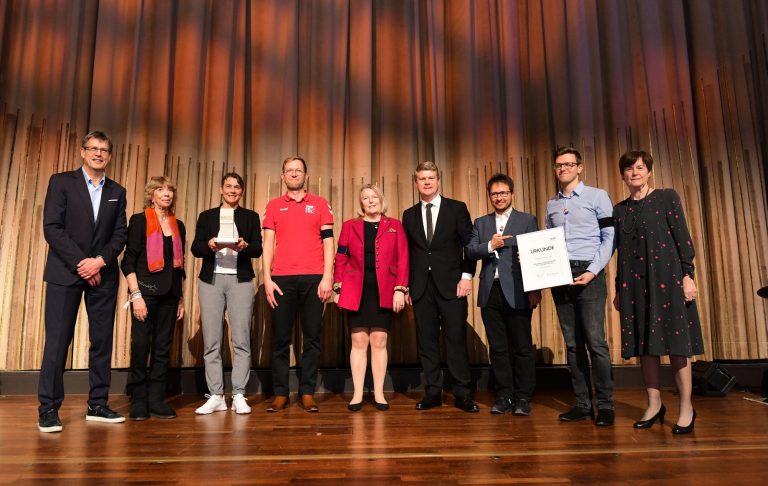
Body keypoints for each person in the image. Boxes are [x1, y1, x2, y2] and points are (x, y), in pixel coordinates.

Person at [38, 130, 128, 433]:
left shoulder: (117, 191)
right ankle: (48, 409)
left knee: (101, 342)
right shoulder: (61, 182)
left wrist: (99, 261)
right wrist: (83, 263)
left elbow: (120, 234)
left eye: (104, 149)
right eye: (93, 148)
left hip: (103, 275)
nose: (98, 153)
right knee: (57, 342)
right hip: (65, 273)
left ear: (110, 156)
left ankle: (98, 404)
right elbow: (52, 228)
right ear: (82, 151)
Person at [613, 150, 704, 434]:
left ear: (649, 172)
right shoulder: (619, 210)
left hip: (668, 280)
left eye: (640, 167)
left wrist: (688, 276)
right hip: (634, 286)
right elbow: (621, 254)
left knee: (677, 345)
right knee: (645, 347)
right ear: (623, 175)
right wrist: (618, 289)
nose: (635, 173)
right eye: (629, 169)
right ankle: (654, 405)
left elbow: (682, 238)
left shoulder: (666, 197)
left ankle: (686, 407)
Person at [546, 146, 616, 426]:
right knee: (573, 344)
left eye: (568, 164)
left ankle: (606, 405)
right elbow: (548, 242)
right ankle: (583, 403)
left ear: (579, 167)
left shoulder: (598, 196)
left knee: (596, 342)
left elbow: (609, 238)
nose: (562, 168)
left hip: (589, 273)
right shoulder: (551, 204)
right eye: (558, 165)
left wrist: (592, 271)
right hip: (560, 275)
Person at [402, 161, 479, 413]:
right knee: (427, 343)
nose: (427, 182)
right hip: (420, 288)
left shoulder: (457, 208)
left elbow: (470, 245)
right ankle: (433, 392)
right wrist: (406, 286)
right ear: (416, 183)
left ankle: (463, 393)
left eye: (431, 178)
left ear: (438, 180)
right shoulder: (409, 214)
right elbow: (407, 253)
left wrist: (467, 276)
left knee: (456, 340)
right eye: (422, 178)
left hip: (453, 286)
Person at [262, 156, 334, 412]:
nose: (294, 174)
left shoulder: (320, 204)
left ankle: (307, 393)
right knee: (281, 338)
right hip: (281, 279)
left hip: (314, 278)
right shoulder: (273, 206)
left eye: (298, 170)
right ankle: (281, 393)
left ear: (306, 175)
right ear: (283, 176)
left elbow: (328, 242)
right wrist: (267, 279)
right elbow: (267, 244)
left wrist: (327, 276)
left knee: (312, 338)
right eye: (289, 171)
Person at [467, 174, 541, 416]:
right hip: (490, 291)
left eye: (503, 193)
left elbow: (537, 256)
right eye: (494, 193)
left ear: (512, 194)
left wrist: (535, 290)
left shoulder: (527, 220)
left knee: (522, 347)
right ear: (489, 196)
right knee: (498, 348)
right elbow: (470, 250)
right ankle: (503, 395)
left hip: (519, 291)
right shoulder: (481, 223)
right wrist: (491, 245)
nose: (499, 197)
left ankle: (523, 397)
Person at [192, 172, 263, 415]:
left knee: (241, 338)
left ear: (242, 191)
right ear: (221, 189)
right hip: (211, 281)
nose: (232, 190)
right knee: (212, 339)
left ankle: (239, 394)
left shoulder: (250, 216)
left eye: (237, 187)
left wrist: (245, 246)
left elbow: (258, 249)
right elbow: (195, 248)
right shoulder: (206, 216)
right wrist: (209, 245)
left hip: (240, 281)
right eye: (228, 186)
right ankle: (216, 395)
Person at [333, 184, 409, 412]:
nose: (370, 201)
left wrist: (400, 289)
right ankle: (357, 393)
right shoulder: (350, 226)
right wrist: (338, 287)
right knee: (358, 341)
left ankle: (378, 393)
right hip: (356, 290)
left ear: (381, 200)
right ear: (361, 203)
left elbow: (403, 258)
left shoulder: (394, 225)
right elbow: (341, 257)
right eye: (365, 198)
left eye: (374, 196)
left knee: (379, 341)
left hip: (384, 289)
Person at [121, 176, 186, 420]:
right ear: (151, 195)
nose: (166, 194)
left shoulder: (179, 225)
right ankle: (138, 399)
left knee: (162, 348)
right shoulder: (139, 221)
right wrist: (136, 295)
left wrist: (180, 298)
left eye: (169, 190)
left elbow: (179, 267)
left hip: (170, 294)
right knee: (141, 346)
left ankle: (156, 400)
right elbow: (128, 261)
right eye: (160, 189)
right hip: (145, 293)